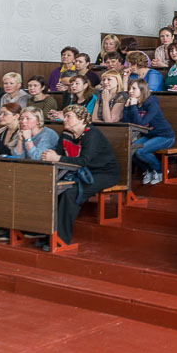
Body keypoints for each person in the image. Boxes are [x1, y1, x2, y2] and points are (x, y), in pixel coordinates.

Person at [40, 105, 121, 250]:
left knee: (71, 192)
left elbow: (83, 161)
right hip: (78, 172)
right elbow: (59, 155)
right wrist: (51, 156)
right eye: (64, 116)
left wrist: (57, 157)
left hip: (104, 173)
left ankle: (61, 239)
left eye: (68, 116)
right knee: (52, 189)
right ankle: (48, 235)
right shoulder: (66, 133)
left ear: (82, 119)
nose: (64, 119)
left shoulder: (92, 134)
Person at [122, 78, 175, 185]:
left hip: (165, 136)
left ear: (142, 90)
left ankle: (161, 170)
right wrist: (127, 108)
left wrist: (132, 107)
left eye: (133, 88)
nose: (130, 91)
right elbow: (127, 122)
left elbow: (141, 124)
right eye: (129, 89)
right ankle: (150, 170)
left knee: (140, 151)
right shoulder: (135, 103)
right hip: (150, 135)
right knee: (129, 150)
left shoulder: (151, 103)